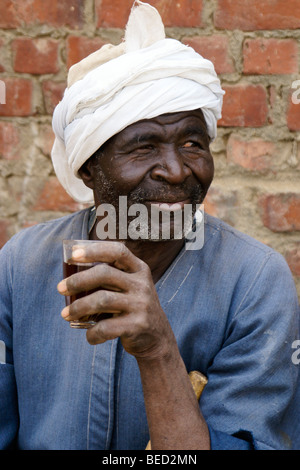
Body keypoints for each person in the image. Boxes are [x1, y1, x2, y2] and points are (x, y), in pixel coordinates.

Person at [0, 1, 299, 450]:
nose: (177, 171)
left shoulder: (254, 283)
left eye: (193, 143)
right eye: (144, 148)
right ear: (88, 169)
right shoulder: (21, 265)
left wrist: (159, 350)